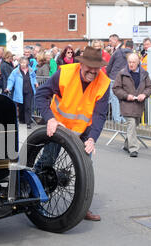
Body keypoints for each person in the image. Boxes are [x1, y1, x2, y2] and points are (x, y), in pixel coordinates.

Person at [35, 46, 111, 221]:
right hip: (59, 126)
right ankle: (34, 198)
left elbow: (100, 114)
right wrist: (50, 119)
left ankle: (81, 208)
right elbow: (40, 95)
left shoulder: (104, 82)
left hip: (83, 130)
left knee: (84, 169)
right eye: (89, 67)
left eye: (96, 68)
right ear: (81, 64)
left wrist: (92, 139)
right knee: (47, 161)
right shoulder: (65, 73)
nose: (93, 71)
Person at [112, 53, 151, 158]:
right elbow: (116, 88)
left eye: (133, 62)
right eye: (129, 62)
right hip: (126, 104)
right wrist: (126, 96)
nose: (131, 64)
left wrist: (144, 94)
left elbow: (150, 87)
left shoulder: (144, 74)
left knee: (134, 126)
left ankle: (127, 144)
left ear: (138, 62)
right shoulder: (122, 73)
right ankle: (133, 149)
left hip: (138, 106)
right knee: (131, 123)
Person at [5, 57, 38, 129]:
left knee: (28, 107)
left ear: (27, 63)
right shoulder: (16, 71)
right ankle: (22, 120)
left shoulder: (31, 70)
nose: (23, 64)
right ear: (19, 63)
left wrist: (35, 83)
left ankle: (28, 122)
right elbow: (11, 80)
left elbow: (34, 77)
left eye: (24, 63)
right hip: (20, 91)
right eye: (21, 63)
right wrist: (8, 88)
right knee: (21, 107)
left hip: (29, 91)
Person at [106, 34, 132, 123]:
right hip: (124, 77)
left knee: (114, 98)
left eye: (110, 40)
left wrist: (108, 74)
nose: (109, 43)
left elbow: (109, 66)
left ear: (115, 40)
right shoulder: (130, 53)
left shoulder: (117, 51)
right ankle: (123, 118)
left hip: (114, 77)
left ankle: (117, 119)